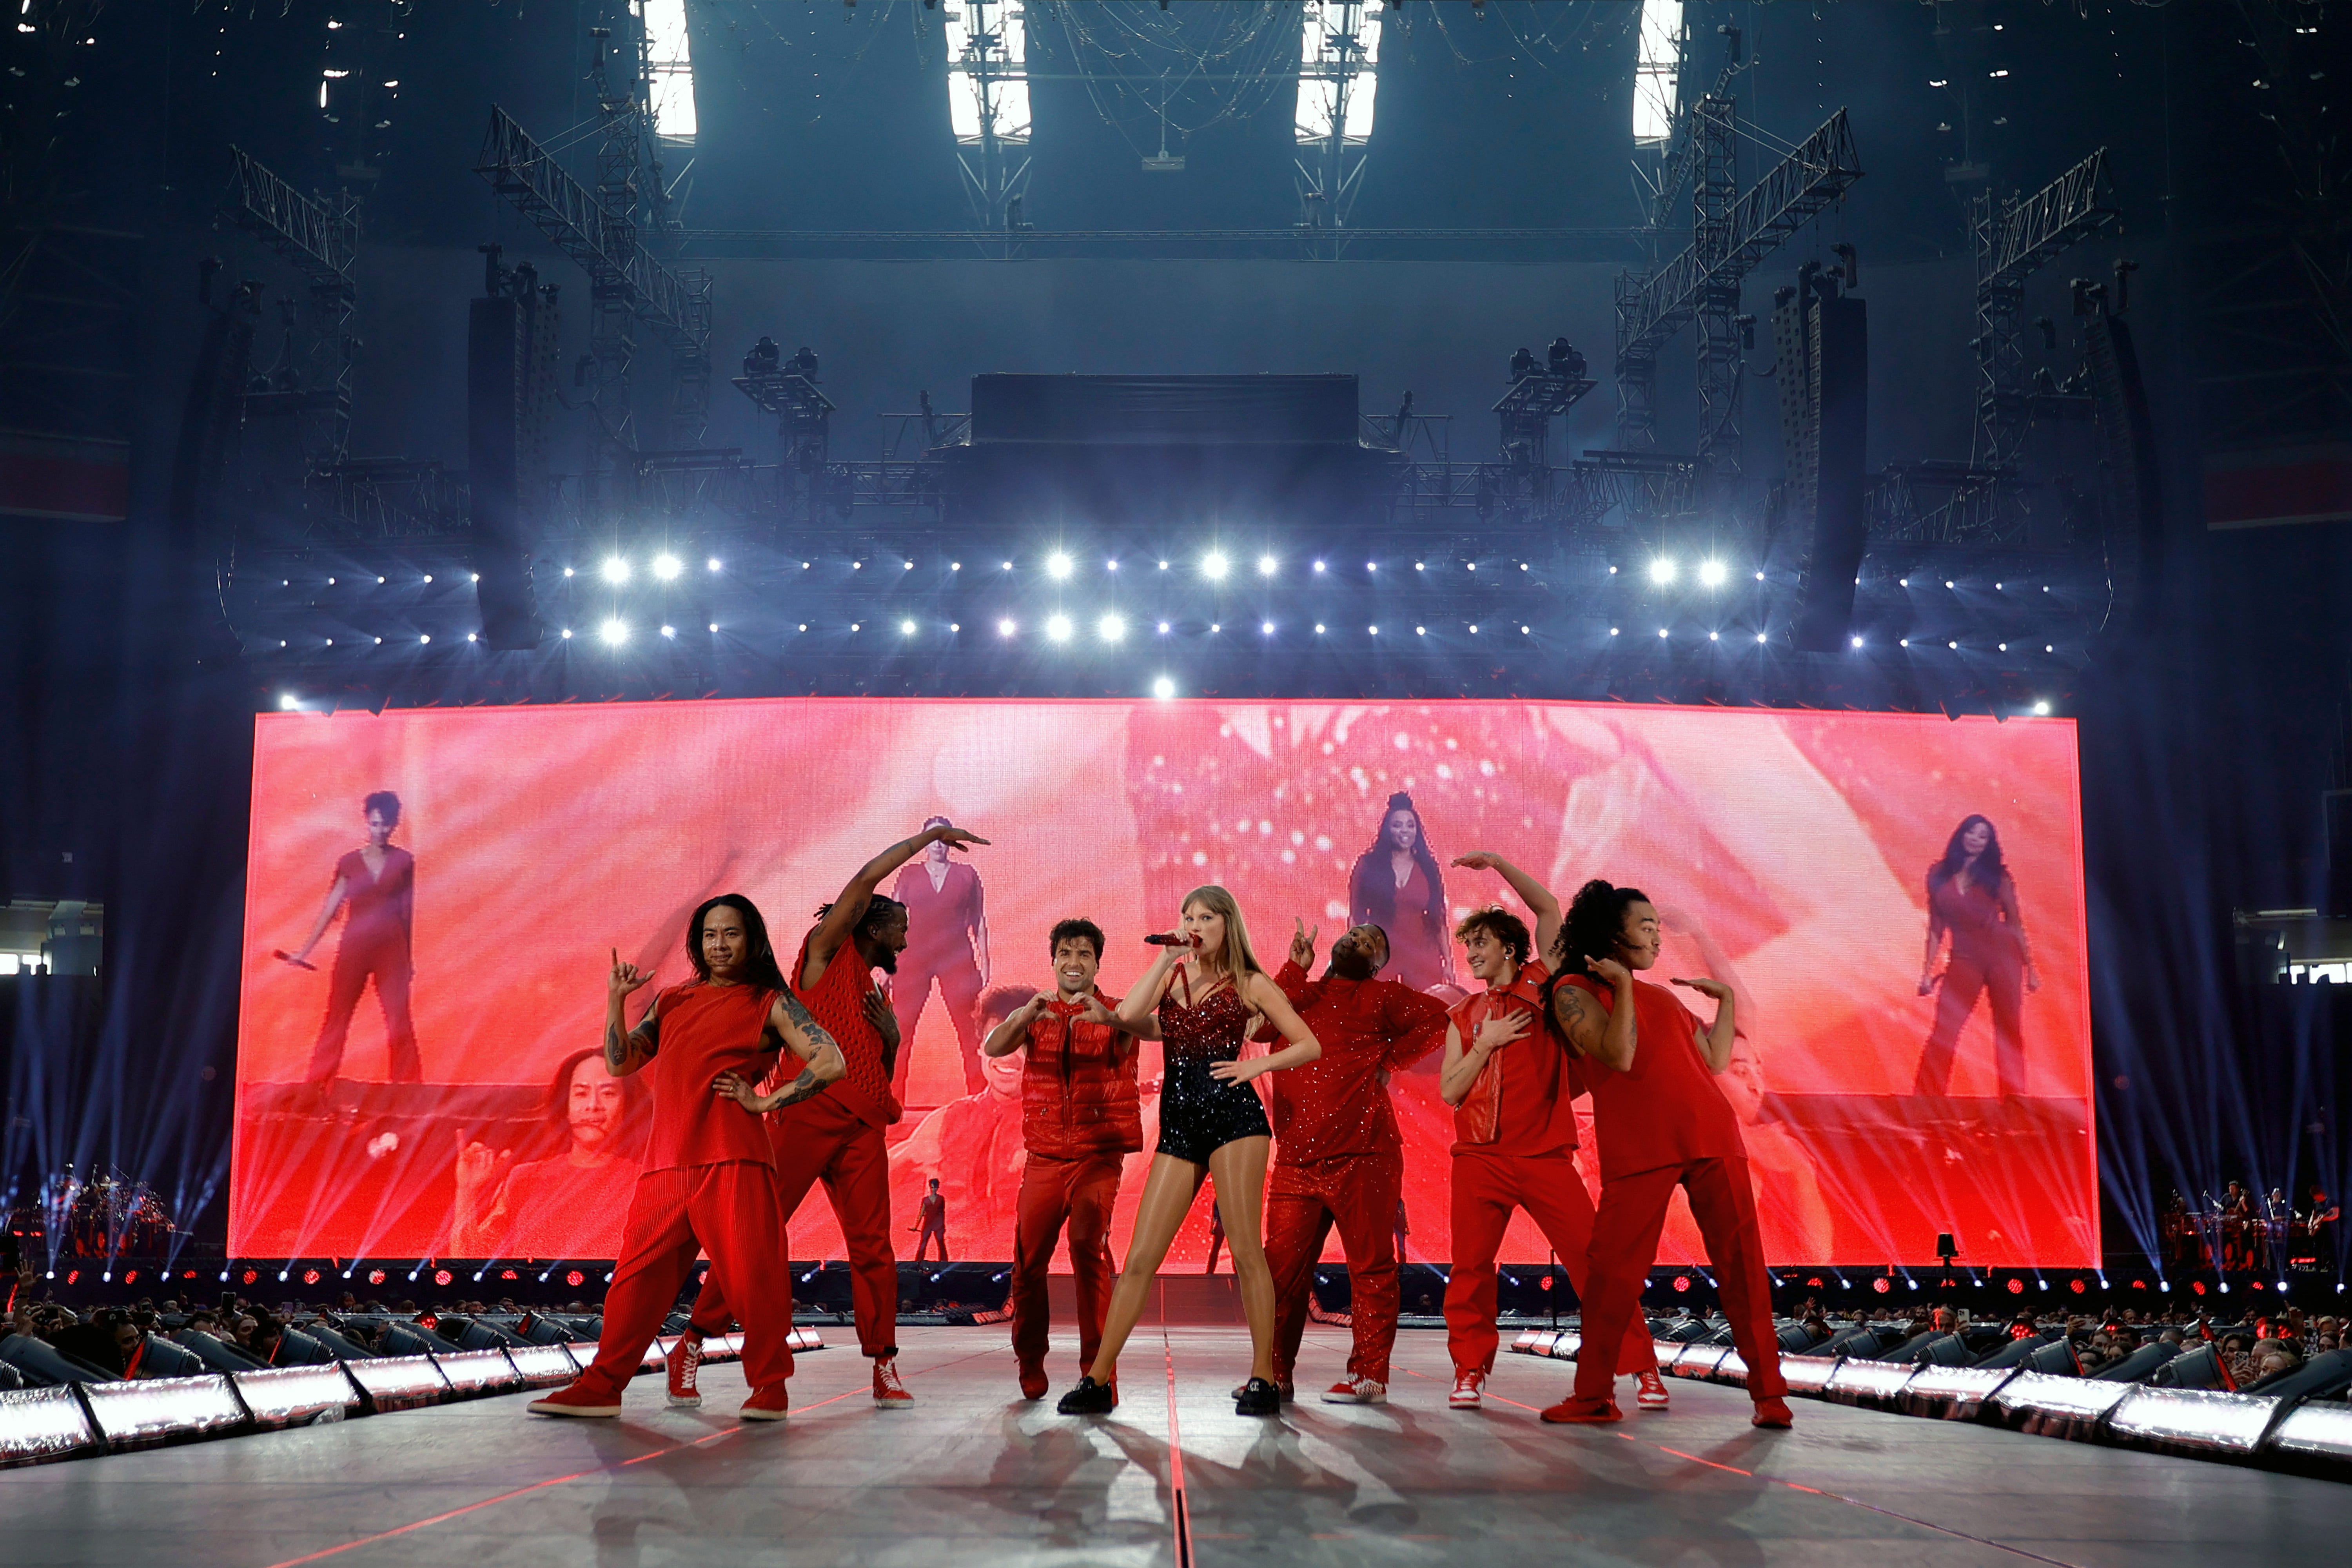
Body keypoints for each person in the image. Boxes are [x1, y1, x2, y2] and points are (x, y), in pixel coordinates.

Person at [684, 821, 986, 1411]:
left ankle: (884, 1365)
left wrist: (893, 1040)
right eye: (900, 930)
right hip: (805, 1117)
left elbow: (871, 1072)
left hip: (859, 1127)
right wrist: (927, 840)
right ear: (871, 927)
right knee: (759, 1233)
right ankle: (693, 1340)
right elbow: (866, 877)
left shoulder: (874, 996)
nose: (906, 942)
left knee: (874, 1248)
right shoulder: (823, 956)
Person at [528, 894, 845, 1421]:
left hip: (734, 1160)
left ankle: (770, 1386)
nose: (720, 945)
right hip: (667, 1166)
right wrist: (614, 999)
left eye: (732, 934)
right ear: (699, 945)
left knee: (754, 1282)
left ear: (752, 940)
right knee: (633, 1283)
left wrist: (765, 1101)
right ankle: (603, 1387)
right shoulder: (673, 1001)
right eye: (710, 935)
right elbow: (621, 1060)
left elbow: (829, 1059)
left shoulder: (769, 1003)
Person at [1056, 886, 1322, 1418]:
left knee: (1247, 1252)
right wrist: (1165, 958)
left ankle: (1264, 1379)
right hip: (1180, 1124)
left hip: (1235, 1120)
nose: (1194, 923)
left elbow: (1307, 1044)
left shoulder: (1250, 982)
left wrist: (1254, 1068)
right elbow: (1130, 1014)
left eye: (1205, 916)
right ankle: (1097, 1380)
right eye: (1187, 915)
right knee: (1138, 1261)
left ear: (1228, 925)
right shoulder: (1174, 976)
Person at [1540, 879, 1793, 1429]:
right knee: (1612, 1277)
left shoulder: (1665, 999)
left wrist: (1725, 1003)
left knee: (1744, 1272)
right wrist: (1623, 989)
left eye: (1658, 926)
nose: (1657, 938)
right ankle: (1593, 1398)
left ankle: (1770, 1398)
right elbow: (1620, 1056)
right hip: (1641, 1146)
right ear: (1612, 932)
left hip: (1711, 1136)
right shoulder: (1573, 992)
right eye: (1646, 927)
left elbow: (1714, 1059)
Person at [1436, 852, 1663, 1412]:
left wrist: (1495, 863)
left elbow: (1547, 906)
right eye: (1468, 946)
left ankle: (1643, 1368)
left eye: (1480, 944)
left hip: (1543, 1155)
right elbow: (1449, 1091)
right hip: (1478, 1160)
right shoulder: (1463, 1016)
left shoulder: (1544, 983)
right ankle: (1469, 1371)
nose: (1471, 954)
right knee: (1469, 1271)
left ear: (1509, 949)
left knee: (1594, 1264)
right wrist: (1486, 1043)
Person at [1259, 918, 1450, 1404]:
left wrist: (1390, 1061)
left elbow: (1438, 1020)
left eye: (1373, 944)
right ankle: (1274, 1374)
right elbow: (1261, 1024)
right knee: (1280, 1275)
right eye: (1357, 934)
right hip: (1297, 1160)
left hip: (1364, 1153)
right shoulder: (1299, 995)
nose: (1360, 941)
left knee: (1370, 1269)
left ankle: (1369, 1377)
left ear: (1378, 965)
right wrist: (1293, 969)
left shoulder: (1383, 998)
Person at [986, 921, 1147, 1399]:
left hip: (1098, 1156)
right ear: (1053, 960)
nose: (1073, 961)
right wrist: (1024, 1016)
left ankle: (1098, 1375)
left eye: (1083, 953)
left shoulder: (1118, 1011)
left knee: (1087, 1250)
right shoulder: (1034, 1011)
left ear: (1098, 962)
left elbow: (1144, 1031)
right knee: (1028, 1264)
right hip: (1044, 1157)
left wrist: (1112, 1020)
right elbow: (995, 1046)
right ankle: (1030, 1361)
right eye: (1064, 953)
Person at [450, 1048, 650, 1258]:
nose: (593, 1106)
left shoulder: (647, 1183)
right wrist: (467, 1191)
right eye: (581, 1094)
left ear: (628, 1104)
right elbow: (469, 1266)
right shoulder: (525, 1180)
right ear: (565, 1105)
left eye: (608, 1093)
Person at [282, 791, 420, 1087]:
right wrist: (303, 952)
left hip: (391, 949)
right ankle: (317, 1088)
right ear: (367, 823)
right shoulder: (349, 863)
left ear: (395, 824)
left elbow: (407, 914)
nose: (380, 831)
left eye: (386, 825)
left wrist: (408, 960)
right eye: (375, 824)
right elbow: (329, 911)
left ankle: (408, 1093)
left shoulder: (404, 861)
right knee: (337, 1017)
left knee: (399, 1020)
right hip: (354, 948)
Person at [891, 985, 1029, 1251]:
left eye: (1021, 1042)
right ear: (980, 1048)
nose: (1008, 1055)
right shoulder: (946, 1122)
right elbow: (874, 1177)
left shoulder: (1060, 1123)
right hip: (956, 1277)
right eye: (997, 1041)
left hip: (1032, 1277)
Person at [1914, 815, 2040, 1098]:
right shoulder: (1939, 874)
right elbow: (1936, 926)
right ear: (1961, 835)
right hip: (1964, 957)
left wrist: (2030, 967)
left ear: (1989, 844)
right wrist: (1926, 971)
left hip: (2003, 957)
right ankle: (1927, 1100)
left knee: (2008, 1030)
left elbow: (2015, 923)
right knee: (1945, 1028)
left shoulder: (1998, 878)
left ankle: (2014, 1104)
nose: (1975, 840)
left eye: (1983, 836)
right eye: (1972, 833)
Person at [889, 816, 993, 1098]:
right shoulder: (909, 875)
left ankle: (978, 1100)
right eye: (930, 837)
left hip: (957, 957)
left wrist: (985, 962)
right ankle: (891, 1101)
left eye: (943, 837)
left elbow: (979, 921)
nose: (937, 844)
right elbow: (894, 920)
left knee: (970, 1032)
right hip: (913, 959)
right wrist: (887, 962)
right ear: (922, 843)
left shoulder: (967, 875)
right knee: (901, 1032)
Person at [1347, 792, 1457, 994]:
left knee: (1425, 1015)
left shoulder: (1428, 868)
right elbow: (1356, 917)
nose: (1404, 831)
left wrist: (1448, 962)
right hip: (1380, 954)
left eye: (1410, 825)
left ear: (1417, 831)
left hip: (1423, 955)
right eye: (1397, 825)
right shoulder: (1368, 866)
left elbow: (1439, 918)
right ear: (1387, 830)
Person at [910, 1179, 950, 1262]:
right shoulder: (926, 1200)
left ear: (938, 1188)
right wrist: (916, 1226)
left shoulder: (941, 1199)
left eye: (935, 1188)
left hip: (938, 1225)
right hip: (928, 1224)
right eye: (932, 1188)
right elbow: (921, 1214)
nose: (934, 1189)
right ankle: (919, 1262)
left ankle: (944, 1262)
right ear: (930, 1188)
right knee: (923, 1243)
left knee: (941, 1243)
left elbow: (943, 1213)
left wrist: (943, 1226)